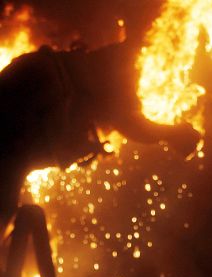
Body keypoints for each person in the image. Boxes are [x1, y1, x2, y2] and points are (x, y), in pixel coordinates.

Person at [0, 40, 200, 232]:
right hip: (44, 91)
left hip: (38, 80)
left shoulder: (119, 59)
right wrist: (172, 134)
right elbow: (130, 123)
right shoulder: (128, 64)